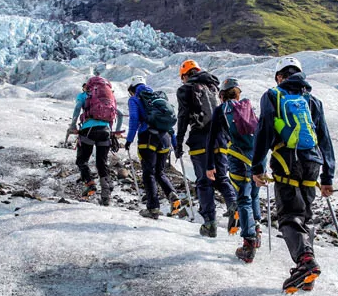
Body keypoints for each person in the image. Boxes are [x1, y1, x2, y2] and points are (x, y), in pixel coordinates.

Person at [251, 56, 336, 293]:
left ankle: (305, 263)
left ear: (279, 77)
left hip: (286, 161)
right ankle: (308, 275)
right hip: (312, 164)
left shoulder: (273, 96)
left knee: (289, 216)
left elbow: (265, 129)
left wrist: (257, 167)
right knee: (305, 217)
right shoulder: (313, 101)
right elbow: (325, 139)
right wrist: (328, 177)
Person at [175, 60, 237, 237]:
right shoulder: (212, 87)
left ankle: (210, 223)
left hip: (200, 139)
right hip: (220, 139)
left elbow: (183, 116)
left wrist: (179, 142)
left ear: (186, 75)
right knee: (222, 177)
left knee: (204, 182)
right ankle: (234, 205)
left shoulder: (186, 89)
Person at [209, 77, 262, 262]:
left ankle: (248, 243)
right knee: (254, 195)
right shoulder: (247, 108)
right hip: (256, 158)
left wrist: (209, 165)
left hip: (237, 158)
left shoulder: (222, 110)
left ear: (222, 95)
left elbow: (212, 138)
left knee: (243, 198)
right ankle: (257, 230)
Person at [123, 76, 184, 219]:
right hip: (165, 139)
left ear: (133, 89)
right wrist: (175, 145)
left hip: (148, 138)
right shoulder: (158, 99)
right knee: (159, 172)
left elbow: (134, 119)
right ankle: (172, 194)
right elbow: (169, 126)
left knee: (148, 173)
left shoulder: (135, 99)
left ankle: (153, 208)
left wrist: (129, 140)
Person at [70, 74, 123, 205]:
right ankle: (106, 195)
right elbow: (120, 115)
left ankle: (90, 184)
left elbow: (77, 108)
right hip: (105, 131)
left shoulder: (84, 95)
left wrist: (72, 125)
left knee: (82, 160)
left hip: (88, 131)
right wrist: (115, 131)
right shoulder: (109, 98)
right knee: (102, 163)